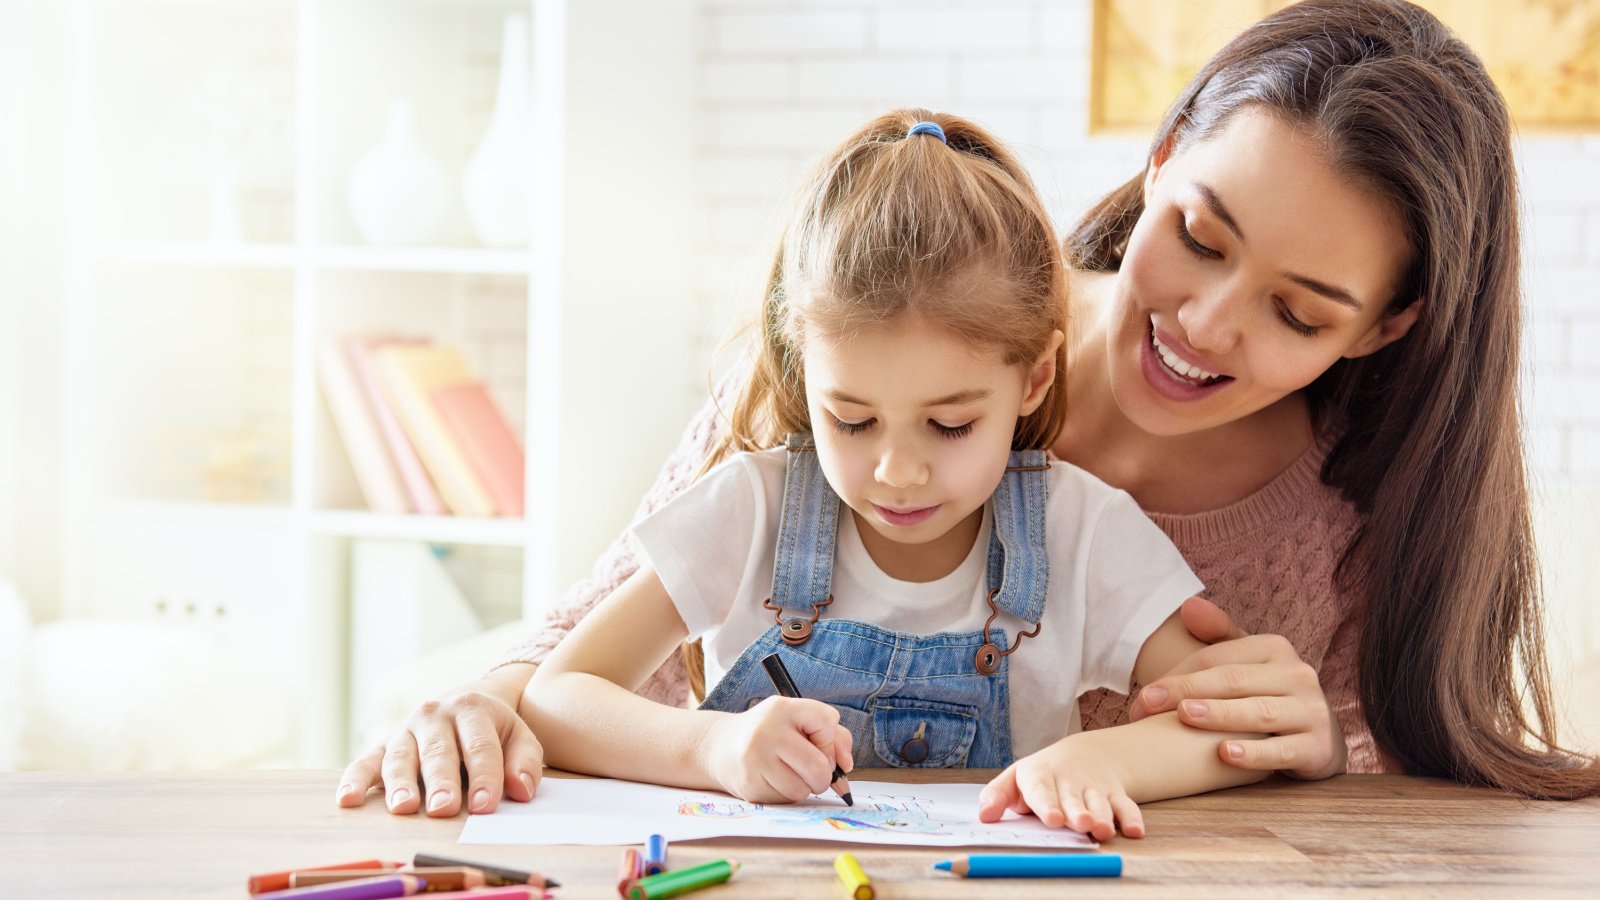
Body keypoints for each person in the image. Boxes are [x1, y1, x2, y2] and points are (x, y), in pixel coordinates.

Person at [337, 0, 1600, 819]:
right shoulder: (900, 322)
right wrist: (488, 700)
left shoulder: (1352, 516)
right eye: (1198, 236)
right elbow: (591, 644)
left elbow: (1372, 799)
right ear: (1157, 164)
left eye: (1298, 313)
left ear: (1385, 326)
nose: (1209, 323)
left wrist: (1317, 749)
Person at [527, 109, 1266, 839]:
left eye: (950, 425)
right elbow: (556, 696)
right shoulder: (752, 509)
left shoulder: (1082, 532)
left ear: (1036, 378)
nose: (897, 472)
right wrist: (711, 746)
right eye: (851, 419)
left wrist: (1106, 761)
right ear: (802, 369)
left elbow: (1227, 726)